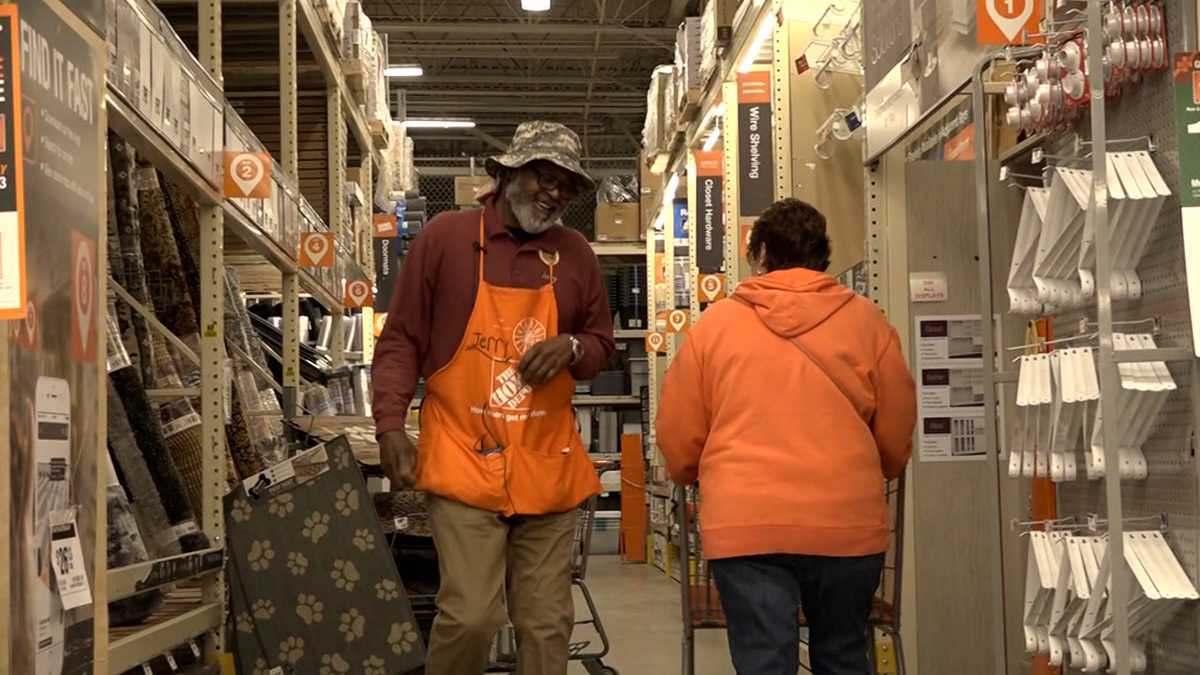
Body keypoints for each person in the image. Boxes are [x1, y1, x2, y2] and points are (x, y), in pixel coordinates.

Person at [371, 121, 616, 675]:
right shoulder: (446, 238)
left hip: (545, 464)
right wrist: (390, 425)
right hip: (464, 459)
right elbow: (401, 340)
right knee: (472, 616)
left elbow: (602, 345)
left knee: (547, 623)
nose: (553, 194)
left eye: (566, 185)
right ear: (505, 174)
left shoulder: (576, 254)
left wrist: (573, 346)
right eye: (542, 177)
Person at [657, 198, 917, 675]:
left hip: (745, 525)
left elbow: (678, 437)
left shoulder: (713, 327)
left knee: (764, 662)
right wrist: (868, 471)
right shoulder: (867, 322)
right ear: (823, 259)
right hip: (846, 525)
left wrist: (692, 474)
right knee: (842, 654)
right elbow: (897, 433)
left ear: (759, 255)